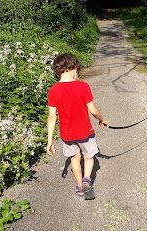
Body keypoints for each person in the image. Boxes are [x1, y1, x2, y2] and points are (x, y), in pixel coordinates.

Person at [46, 53, 108, 200]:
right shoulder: (83, 86)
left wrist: (50, 141)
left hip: (67, 134)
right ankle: (87, 179)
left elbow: (52, 116)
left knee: (74, 158)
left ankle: (80, 186)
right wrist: (102, 119)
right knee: (89, 156)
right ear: (73, 68)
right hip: (85, 132)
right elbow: (93, 110)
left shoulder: (53, 90)